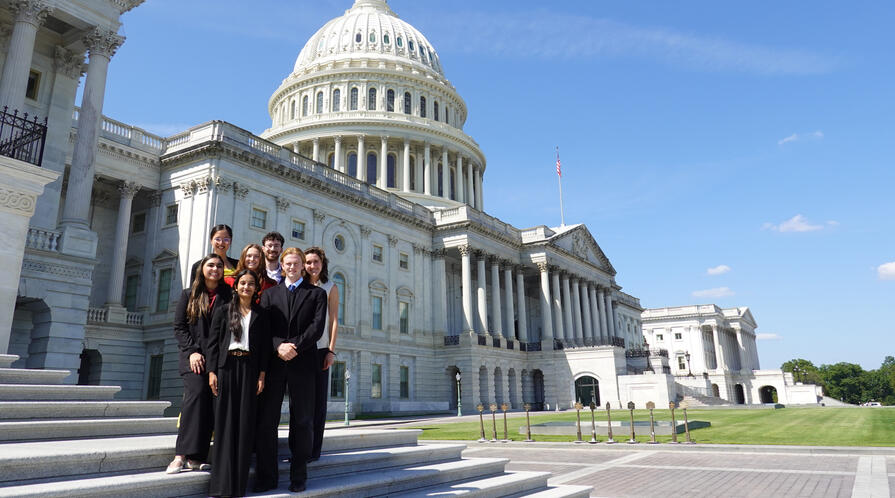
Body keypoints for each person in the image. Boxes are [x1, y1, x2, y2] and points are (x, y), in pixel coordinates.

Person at [254, 247, 327, 493]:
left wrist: (293, 346)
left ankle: (299, 477)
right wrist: (278, 346)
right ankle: (267, 477)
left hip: (303, 363)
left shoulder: (316, 294)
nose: (293, 267)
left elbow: (317, 328)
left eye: (297, 263)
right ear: (282, 266)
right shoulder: (269, 294)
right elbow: (263, 329)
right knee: (267, 422)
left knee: (303, 421)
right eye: (289, 263)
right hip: (274, 364)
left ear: (302, 266)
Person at [207, 269, 271, 497]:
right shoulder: (224, 310)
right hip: (226, 369)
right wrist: (212, 372)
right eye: (242, 283)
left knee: (244, 425)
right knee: (225, 426)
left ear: (256, 288)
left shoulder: (261, 315)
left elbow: (264, 348)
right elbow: (213, 344)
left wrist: (262, 375)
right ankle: (220, 486)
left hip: (250, 370)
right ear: (236, 286)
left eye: (250, 284)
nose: (246, 287)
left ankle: (237, 487)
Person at [167, 253, 232, 474]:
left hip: (217, 359)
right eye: (211, 265)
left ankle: (197, 457)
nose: (215, 269)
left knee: (210, 404)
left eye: (219, 266)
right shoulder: (189, 295)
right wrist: (193, 351)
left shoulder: (228, 296)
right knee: (195, 398)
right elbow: (179, 327)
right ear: (202, 269)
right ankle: (180, 455)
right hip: (193, 358)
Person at [303, 247, 339, 462]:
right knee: (302, 402)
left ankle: (314, 451)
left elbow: (334, 320)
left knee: (318, 403)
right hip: (300, 349)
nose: (312, 266)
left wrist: (331, 350)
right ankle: (299, 448)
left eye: (316, 262)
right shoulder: (299, 285)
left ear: (322, 264)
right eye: (308, 262)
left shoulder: (330, 287)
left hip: (321, 350)